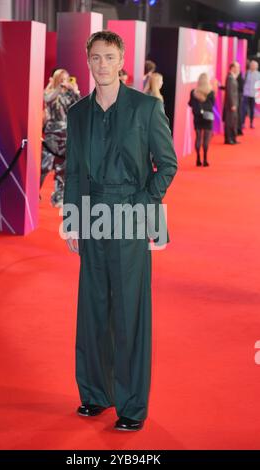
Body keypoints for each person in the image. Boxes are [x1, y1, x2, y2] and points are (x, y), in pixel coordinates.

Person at [63, 31, 177, 431]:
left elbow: (167, 164)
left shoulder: (146, 108)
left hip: (130, 216)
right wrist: (72, 220)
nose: (102, 65)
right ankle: (95, 393)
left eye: (109, 57)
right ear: (88, 60)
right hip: (91, 217)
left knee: (129, 311)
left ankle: (131, 404)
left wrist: (144, 208)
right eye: (95, 58)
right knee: (92, 310)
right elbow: (73, 171)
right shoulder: (77, 113)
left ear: (122, 58)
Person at [40, 68, 80, 207]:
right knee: (45, 165)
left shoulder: (69, 94)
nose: (65, 81)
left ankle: (58, 197)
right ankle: (33, 192)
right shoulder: (50, 91)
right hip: (52, 134)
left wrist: (75, 91)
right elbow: (47, 99)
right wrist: (58, 87)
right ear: (57, 79)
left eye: (67, 78)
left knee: (63, 167)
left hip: (67, 133)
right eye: (62, 78)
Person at [188, 73, 215, 167]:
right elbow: (212, 105)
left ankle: (198, 159)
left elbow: (190, 104)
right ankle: (205, 159)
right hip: (208, 117)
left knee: (198, 137)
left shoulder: (193, 92)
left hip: (197, 117)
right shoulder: (211, 92)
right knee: (206, 139)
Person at [223, 62, 239, 145]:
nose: (238, 69)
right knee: (229, 122)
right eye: (237, 67)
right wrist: (232, 104)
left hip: (234, 104)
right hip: (230, 105)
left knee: (233, 122)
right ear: (232, 68)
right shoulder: (229, 78)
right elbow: (229, 92)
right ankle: (228, 139)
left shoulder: (233, 77)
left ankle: (233, 138)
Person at [242, 60, 260, 129]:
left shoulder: (258, 75)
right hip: (246, 94)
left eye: (254, 65)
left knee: (252, 110)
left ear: (256, 67)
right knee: (244, 109)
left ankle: (251, 123)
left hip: (253, 95)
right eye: (252, 65)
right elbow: (242, 82)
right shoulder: (246, 73)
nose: (253, 66)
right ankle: (243, 123)